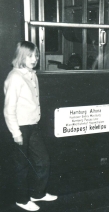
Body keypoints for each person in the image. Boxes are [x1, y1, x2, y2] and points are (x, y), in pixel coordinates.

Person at [3, 41, 57, 211]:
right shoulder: (15, 77)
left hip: (33, 126)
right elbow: (8, 109)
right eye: (30, 56)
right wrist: (16, 132)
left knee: (43, 161)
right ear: (21, 57)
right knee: (21, 166)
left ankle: (38, 193)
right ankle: (22, 200)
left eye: (36, 55)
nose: (35, 59)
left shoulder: (31, 74)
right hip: (21, 128)